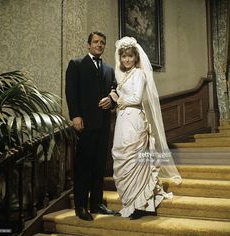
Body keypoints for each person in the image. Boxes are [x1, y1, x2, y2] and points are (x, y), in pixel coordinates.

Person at [112, 36, 182, 220]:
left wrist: (117, 99)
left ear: (136, 57)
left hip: (134, 119)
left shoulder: (139, 74)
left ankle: (141, 205)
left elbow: (135, 99)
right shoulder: (124, 75)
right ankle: (129, 202)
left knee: (135, 160)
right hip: (122, 120)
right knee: (123, 158)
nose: (126, 59)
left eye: (129, 56)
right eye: (123, 57)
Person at [65, 31, 117, 221]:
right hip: (85, 123)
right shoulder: (76, 64)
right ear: (89, 45)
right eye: (96, 42)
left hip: (103, 124)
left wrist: (111, 100)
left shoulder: (109, 69)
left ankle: (97, 204)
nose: (99, 45)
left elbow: (115, 89)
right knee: (84, 166)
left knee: (99, 166)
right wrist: (75, 116)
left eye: (102, 42)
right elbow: (71, 92)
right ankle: (81, 206)